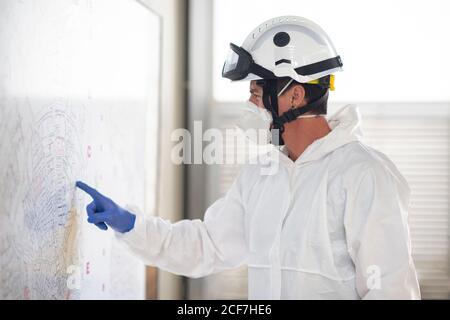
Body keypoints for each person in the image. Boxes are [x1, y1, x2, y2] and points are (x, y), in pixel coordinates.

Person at [76, 16, 421, 299]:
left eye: (256, 93)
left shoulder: (364, 175)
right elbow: (207, 246)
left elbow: (390, 290)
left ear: (295, 95)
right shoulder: (262, 174)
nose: (250, 106)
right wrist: (132, 226)